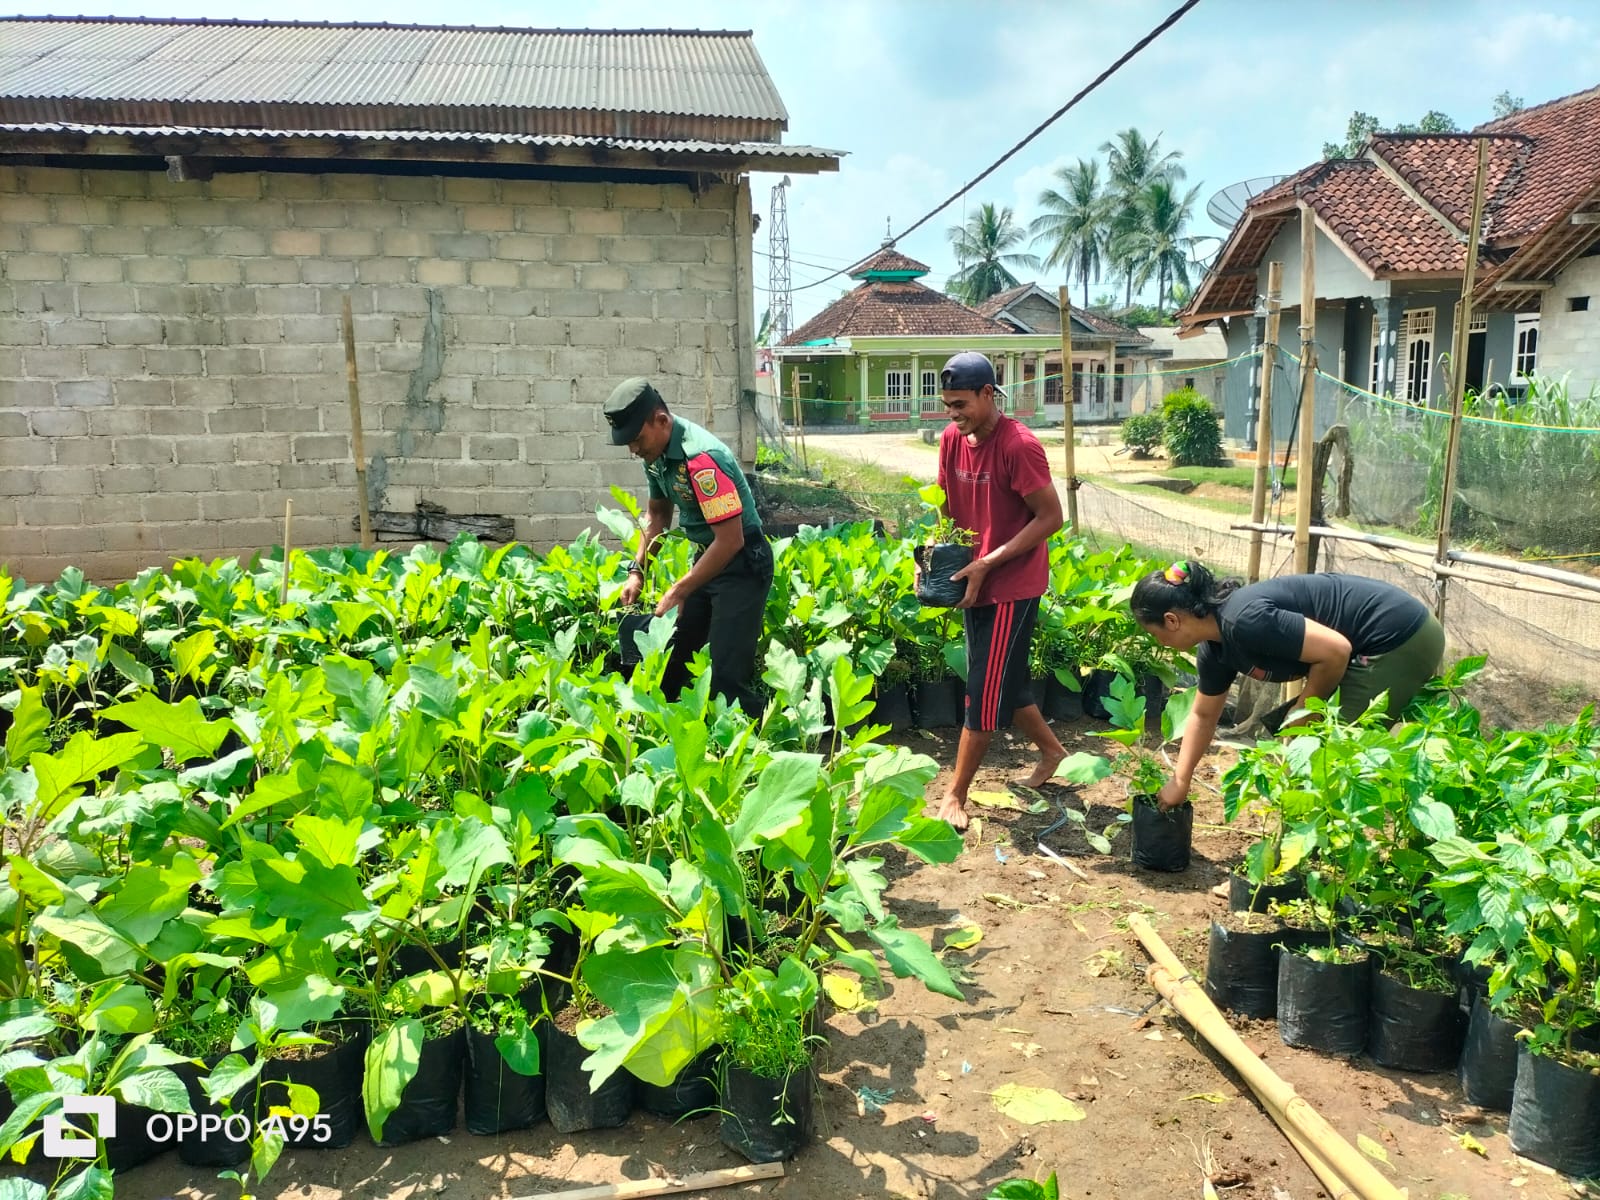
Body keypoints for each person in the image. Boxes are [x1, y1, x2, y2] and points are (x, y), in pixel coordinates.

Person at [1130, 561, 1447, 810]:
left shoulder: (1244, 619)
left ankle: (1287, 874)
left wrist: (1303, 710)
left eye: (1156, 634)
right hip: (1378, 638)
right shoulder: (1215, 647)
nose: (1161, 643)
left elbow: (1335, 651)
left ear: (1172, 620)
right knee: (1307, 750)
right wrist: (1181, 780)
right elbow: (1203, 716)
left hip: (1396, 636)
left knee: (1323, 760)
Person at [929, 351, 1067, 831]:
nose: (953, 413)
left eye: (962, 403)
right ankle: (1052, 750)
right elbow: (945, 506)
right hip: (974, 577)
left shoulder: (1019, 446)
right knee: (1002, 676)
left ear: (989, 394)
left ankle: (955, 794)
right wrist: (935, 556)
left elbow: (1051, 518)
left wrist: (988, 562)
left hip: (1012, 583)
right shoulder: (952, 438)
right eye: (948, 404)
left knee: (983, 688)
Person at [605, 377, 773, 716]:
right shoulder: (656, 456)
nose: (633, 449)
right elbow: (657, 514)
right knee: (678, 659)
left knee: (727, 676)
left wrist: (679, 590)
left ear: (662, 421)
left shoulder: (701, 461)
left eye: (637, 439)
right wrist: (638, 570)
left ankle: (767, 744)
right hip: (709, 560)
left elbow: (731, 540)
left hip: (742, 565)